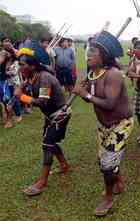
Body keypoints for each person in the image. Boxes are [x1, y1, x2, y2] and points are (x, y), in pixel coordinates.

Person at [73, 31, 133, 216]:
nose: (88, 55)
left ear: (104, 56)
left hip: (120, 124)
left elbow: (109, 103)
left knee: (107, 165)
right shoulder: (92, 74)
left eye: (93, 52)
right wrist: (84, 93)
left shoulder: (113, 74)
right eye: (88, 51)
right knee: (105, 160)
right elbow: (90, 99)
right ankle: (119, 183)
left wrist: (86, 95)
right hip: (103, 125)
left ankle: (108, 199)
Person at [14, 43, 71, 196]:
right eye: (19, 64)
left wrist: (22, 96)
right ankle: (64, 165)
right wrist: (22, 89)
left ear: (33, 66)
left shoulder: (45, 78)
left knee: (47, 144)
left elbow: (42, 102)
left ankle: (42, 182)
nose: (20, 68)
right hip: (50, 115)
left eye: (23, 64)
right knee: (49, 142)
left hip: (60, 115)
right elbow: (27, 93)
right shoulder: (31, 77)